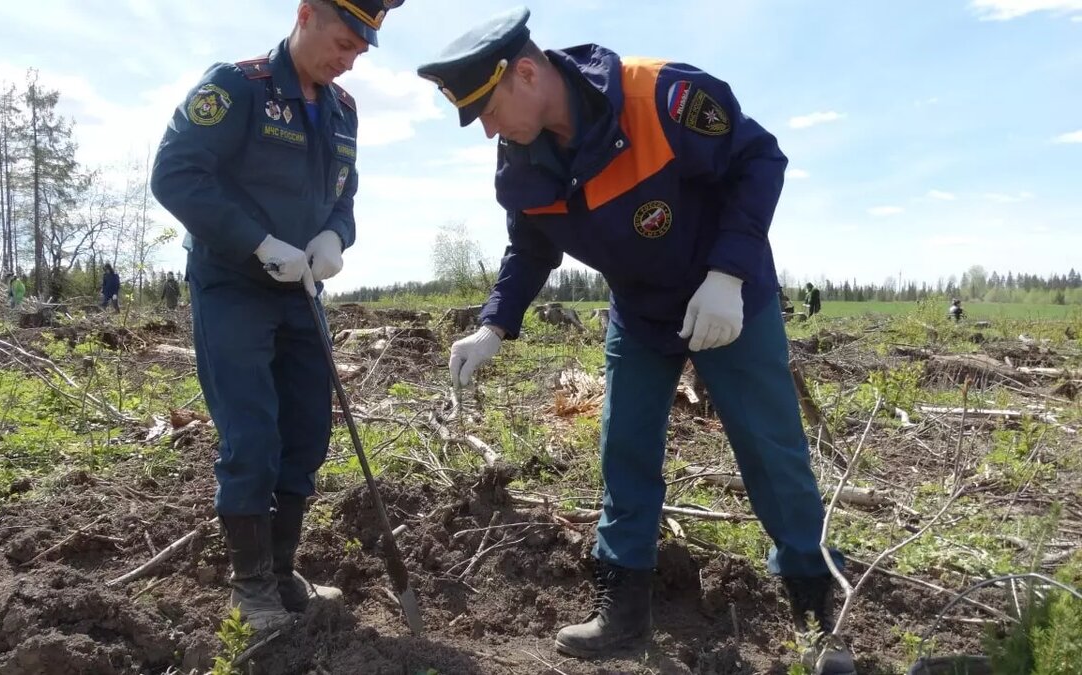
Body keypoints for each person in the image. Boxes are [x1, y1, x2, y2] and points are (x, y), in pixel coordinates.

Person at [417, 8, 853, 674]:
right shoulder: (520, 163)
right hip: (642, 316)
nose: (487, 131)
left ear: (527, 74)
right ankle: (621, 613)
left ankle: (818, 615)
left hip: (728, 302)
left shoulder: (663, 98)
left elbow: (759, 160)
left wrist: (728, 274)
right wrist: (493, 325)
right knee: (625, 451)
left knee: (773, 452)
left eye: (487, 110)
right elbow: (529, 248)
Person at [150, 0, 405, 635]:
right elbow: (175, 175)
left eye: (359, 51)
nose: (347, 60)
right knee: (252, 432)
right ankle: (250, 585)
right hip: (234, 285)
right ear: (306, 13)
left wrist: (335, 237)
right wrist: (258, 243)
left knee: (307, 429)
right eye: (343, 42)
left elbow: (343, 194)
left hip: (303, 291)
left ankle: (283, 569)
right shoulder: (238, 87)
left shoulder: (343, 110)